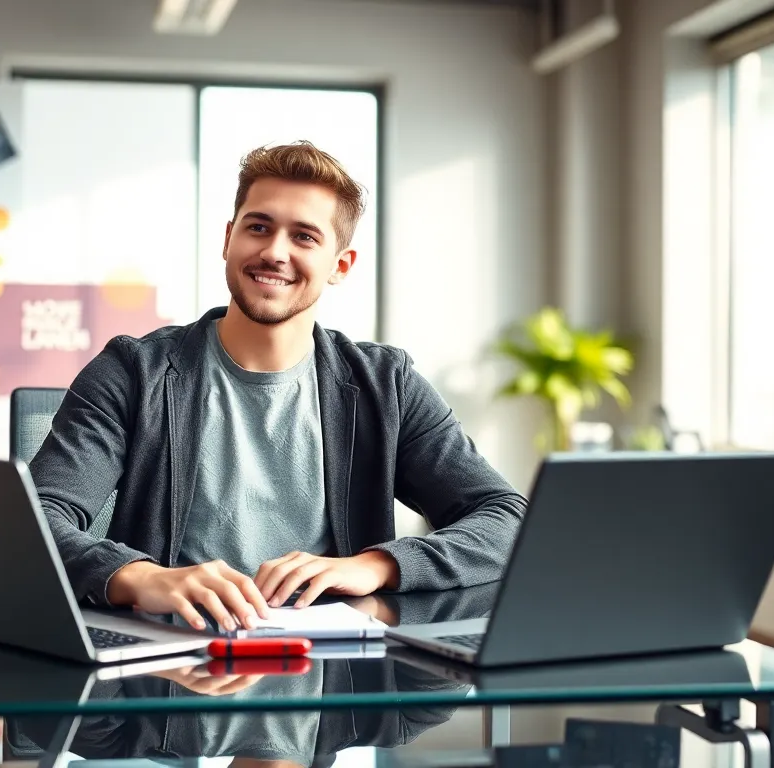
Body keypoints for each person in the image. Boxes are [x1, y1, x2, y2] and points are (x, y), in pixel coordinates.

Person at [29, 140, 527, 634]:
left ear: (340, 266)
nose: (274, 252)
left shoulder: (386, 385)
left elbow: (505, 517)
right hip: (163, 679)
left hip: (337, 682)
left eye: (305, 237)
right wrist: (141, 578)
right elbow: (35, 522)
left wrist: (374, 565)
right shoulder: (133, 372)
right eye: (258, 228)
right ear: (229, 239)